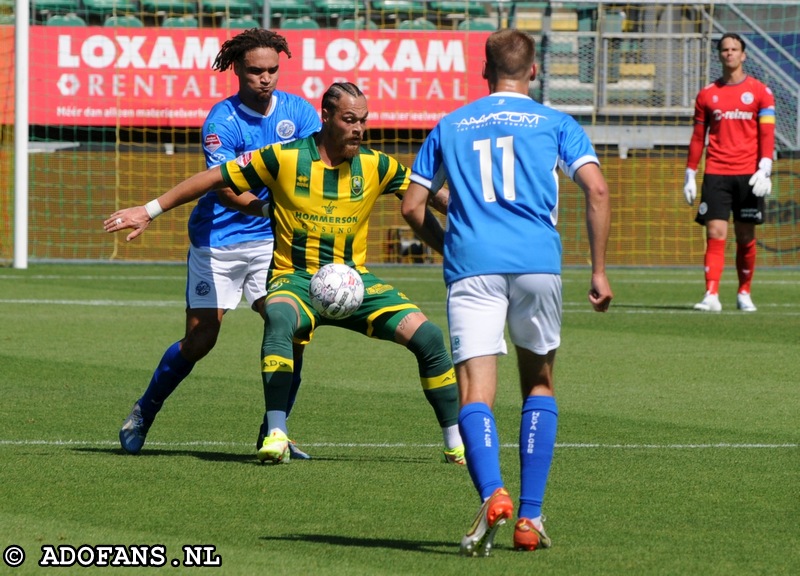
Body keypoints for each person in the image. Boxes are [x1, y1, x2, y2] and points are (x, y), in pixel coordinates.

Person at [105, 81, 465, 466]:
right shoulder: (284, 157)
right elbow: (215, 179)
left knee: (428, 335)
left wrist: (476, 215)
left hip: (353, 281)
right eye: (349, 120)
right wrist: (149, 210)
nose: (359, 128)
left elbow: (427, 196)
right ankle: (274, 433)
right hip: (293, 279)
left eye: (363, 120)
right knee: (265, 323)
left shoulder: (377, 164)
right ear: (326, 117)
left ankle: (455, 444)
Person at [401, 29, 613, 556]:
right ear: (535, 71)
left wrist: (447, 243)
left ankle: (493, 490)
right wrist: (599, 271)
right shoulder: (557, 123)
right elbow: (597, 189)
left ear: (484, 71)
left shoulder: (451, 124)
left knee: (476, 391)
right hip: (538, 265)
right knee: (538, 383)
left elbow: (410, 207)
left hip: (472, 267)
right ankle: (531, 517)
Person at [115, 29, 321, 457]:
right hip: (219, 240)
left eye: (272, 71)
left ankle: (274, 432)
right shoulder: (222, 121)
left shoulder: (300, 113)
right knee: (200, 340)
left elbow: (317, 169)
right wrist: (270, 210)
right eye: (255, 71)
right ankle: (144, 412)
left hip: (271, 242)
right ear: (237, 70)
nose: (265, 79)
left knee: (290, 326)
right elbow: (226, 188)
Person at [683, 32, 775, 312]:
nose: (729, 53)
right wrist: (689, 173)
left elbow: (767, 133)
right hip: (717, 172)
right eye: (725, 49)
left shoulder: (761, 92)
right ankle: (711, 294)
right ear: (719, 55)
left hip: (749, 174)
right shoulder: (707, 95)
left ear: (743, 55)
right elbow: (699, 136)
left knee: (746, 235)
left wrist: (765, 166)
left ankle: (744, 292)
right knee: (715, 232)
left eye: (735, 49)